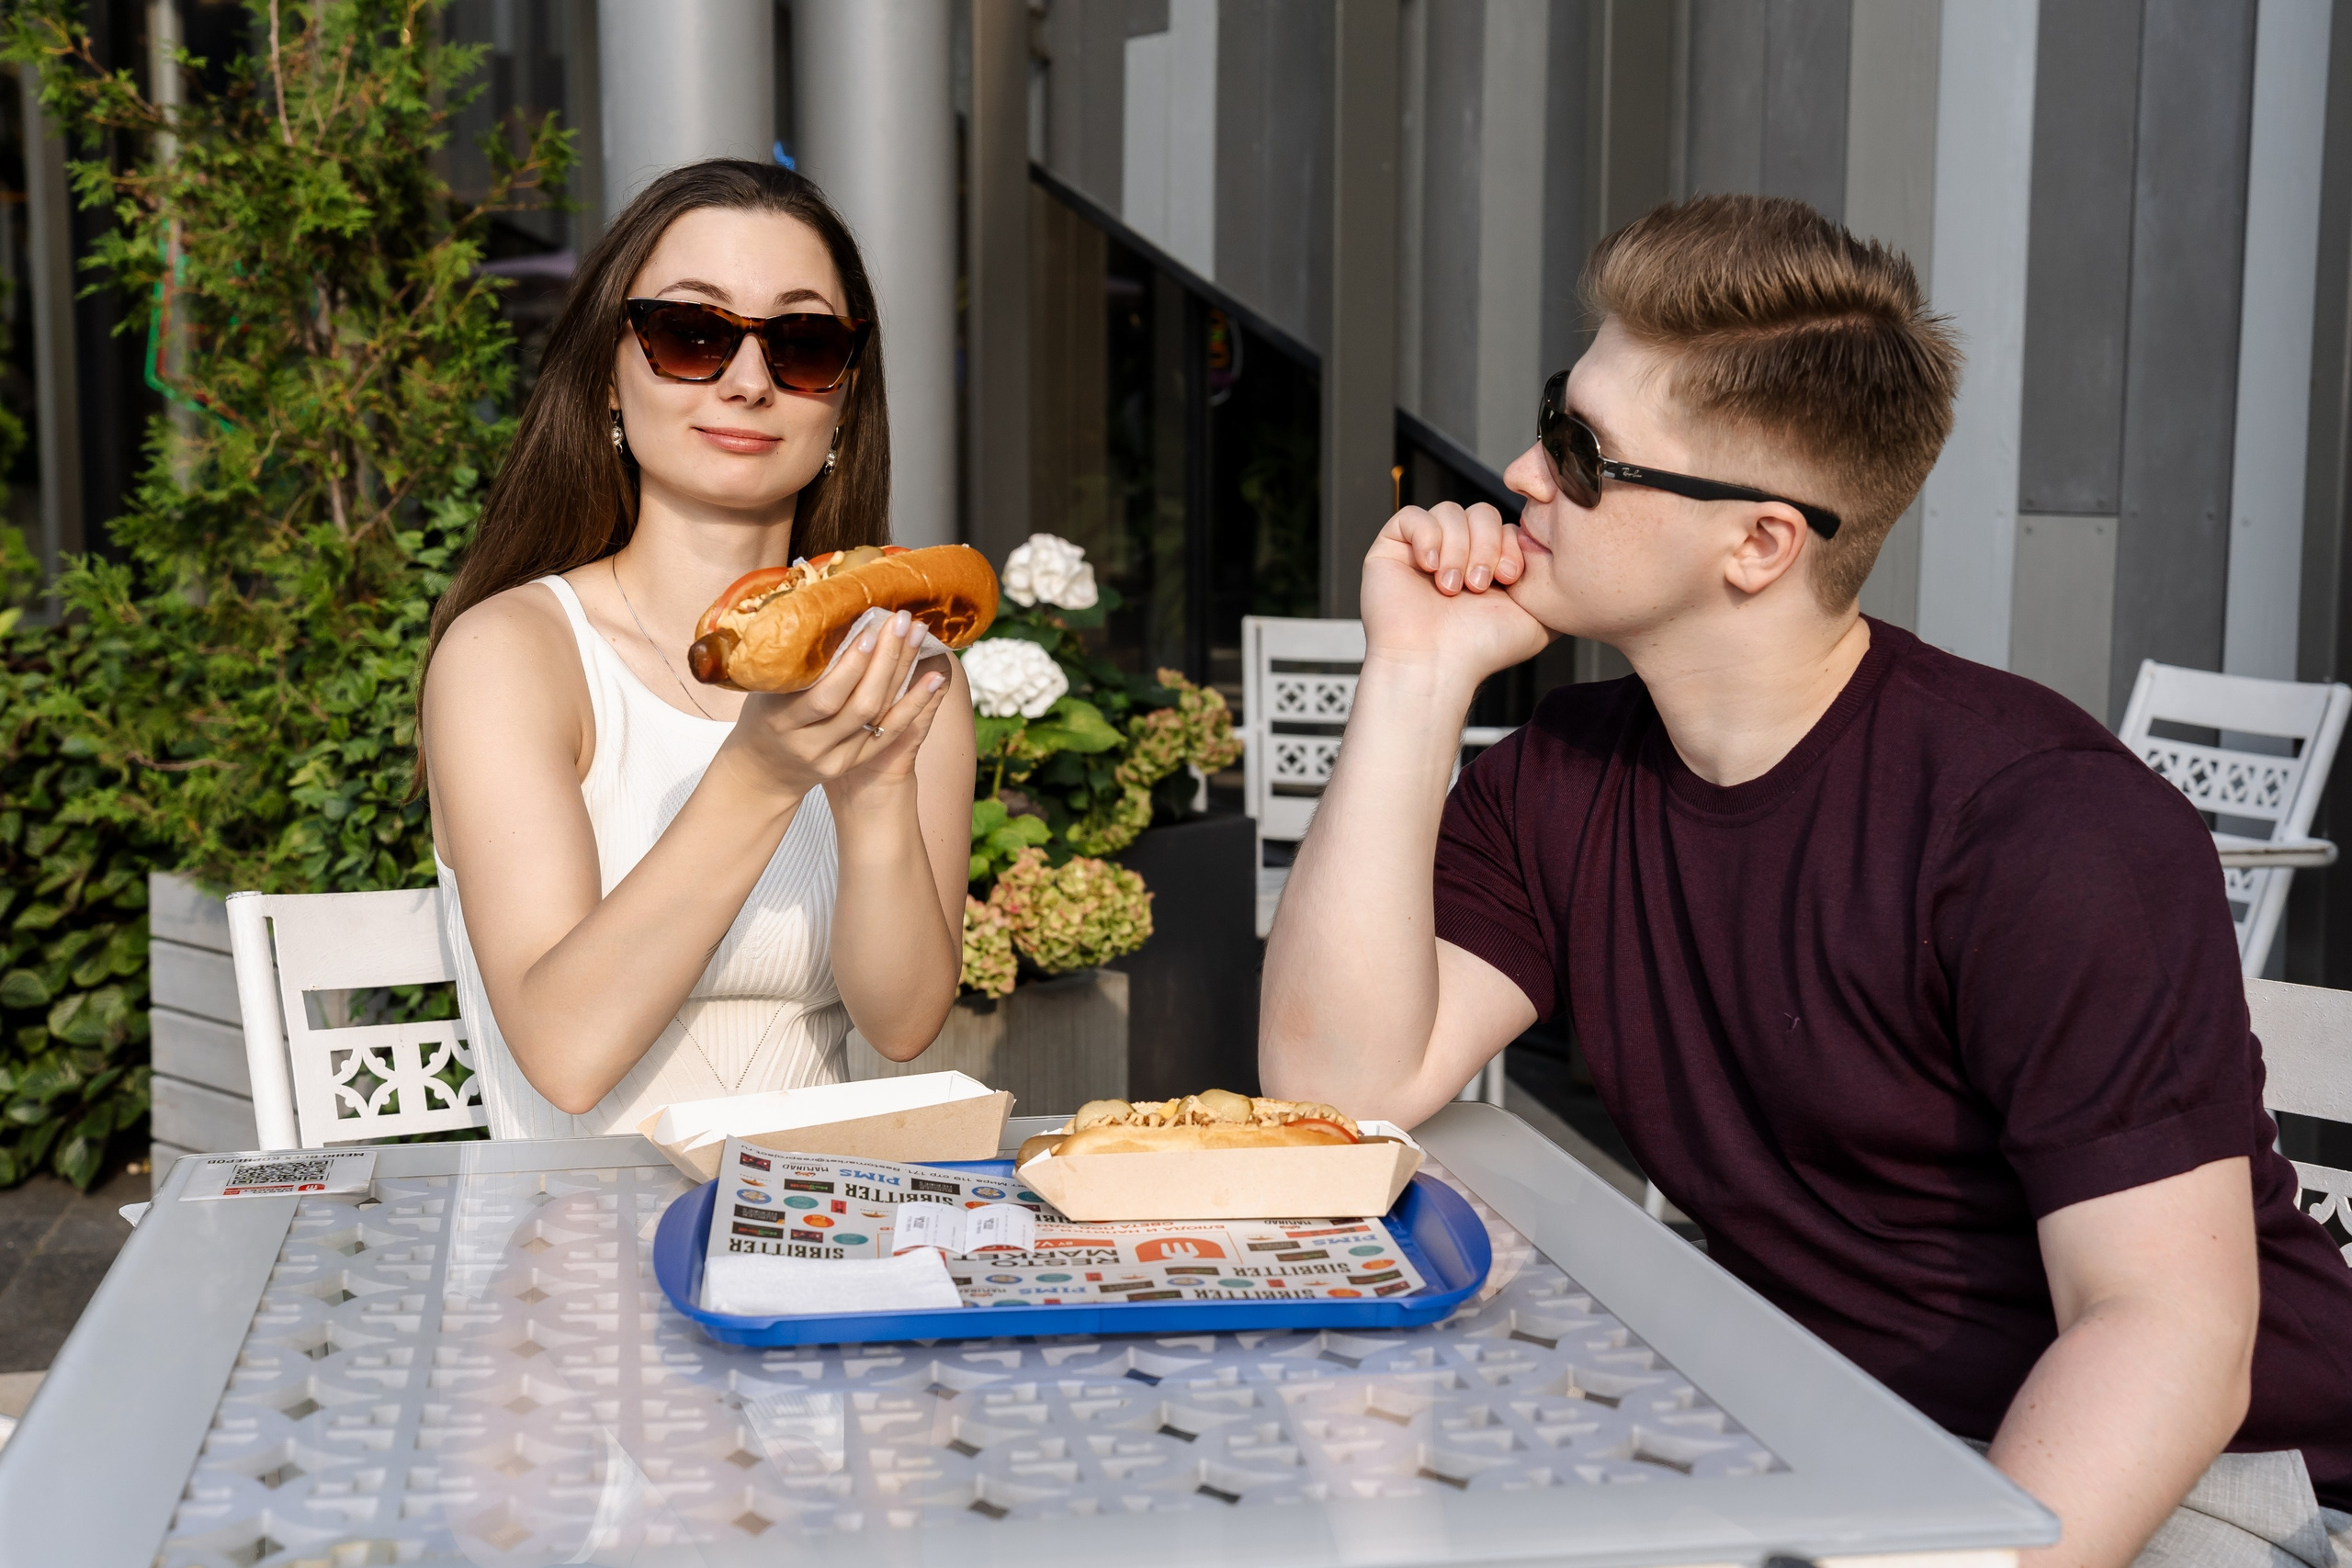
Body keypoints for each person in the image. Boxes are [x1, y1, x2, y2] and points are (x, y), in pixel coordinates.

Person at [1261, 194, 2352, 1568]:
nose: (1527, 472)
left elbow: (2170, 1333)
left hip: (2172, 1479)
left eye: (1588, 452)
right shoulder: (1565, 775)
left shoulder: (2045, 828)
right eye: (1555, 413)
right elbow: (1331, 1097)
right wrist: (1413, 674)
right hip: (1815, 1431)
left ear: (1761, 543)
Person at [418, 159, 973, 1137]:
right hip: (571, 1250)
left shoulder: (905, 660)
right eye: (692, 334)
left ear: (842, 398)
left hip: (821, 1236)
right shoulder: (512, 653)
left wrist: (874, 789)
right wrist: (760, 776)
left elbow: (903, 1023)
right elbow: (564, 1053)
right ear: (607, 381)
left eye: (802, 344)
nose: (749, 381)